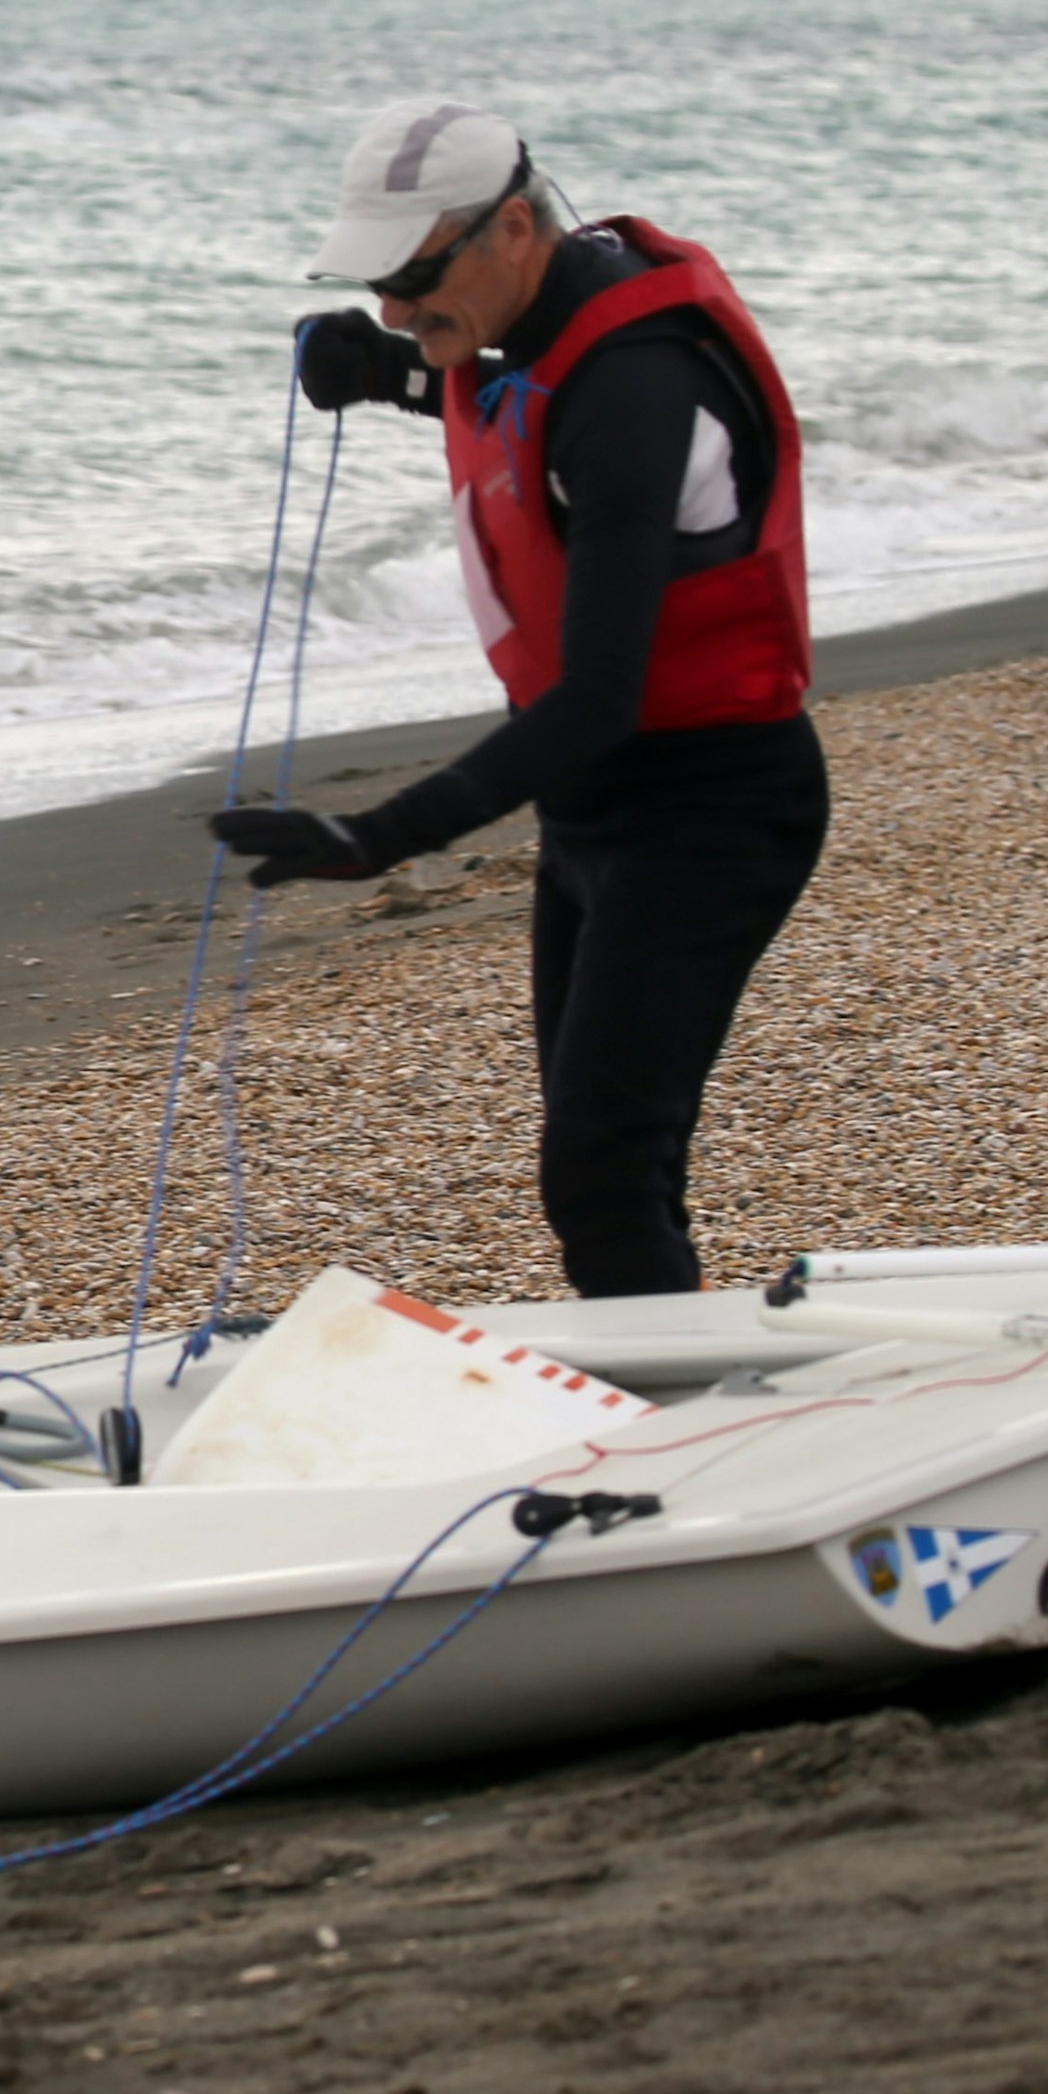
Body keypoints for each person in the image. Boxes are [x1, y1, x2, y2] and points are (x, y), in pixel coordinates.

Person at [213, 101, 825, 1299]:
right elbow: (518, 389)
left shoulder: (640, 386)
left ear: (508, 226)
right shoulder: (546, 314)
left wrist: (377, 838)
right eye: (376, 283)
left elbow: (598, 695)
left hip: (712, 810)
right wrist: (394, 373)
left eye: (414, 280)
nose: (394, 306)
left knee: (601, 1168)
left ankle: (673, 1446)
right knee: (606, 1154)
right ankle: (675, 1390)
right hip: (597, 818)